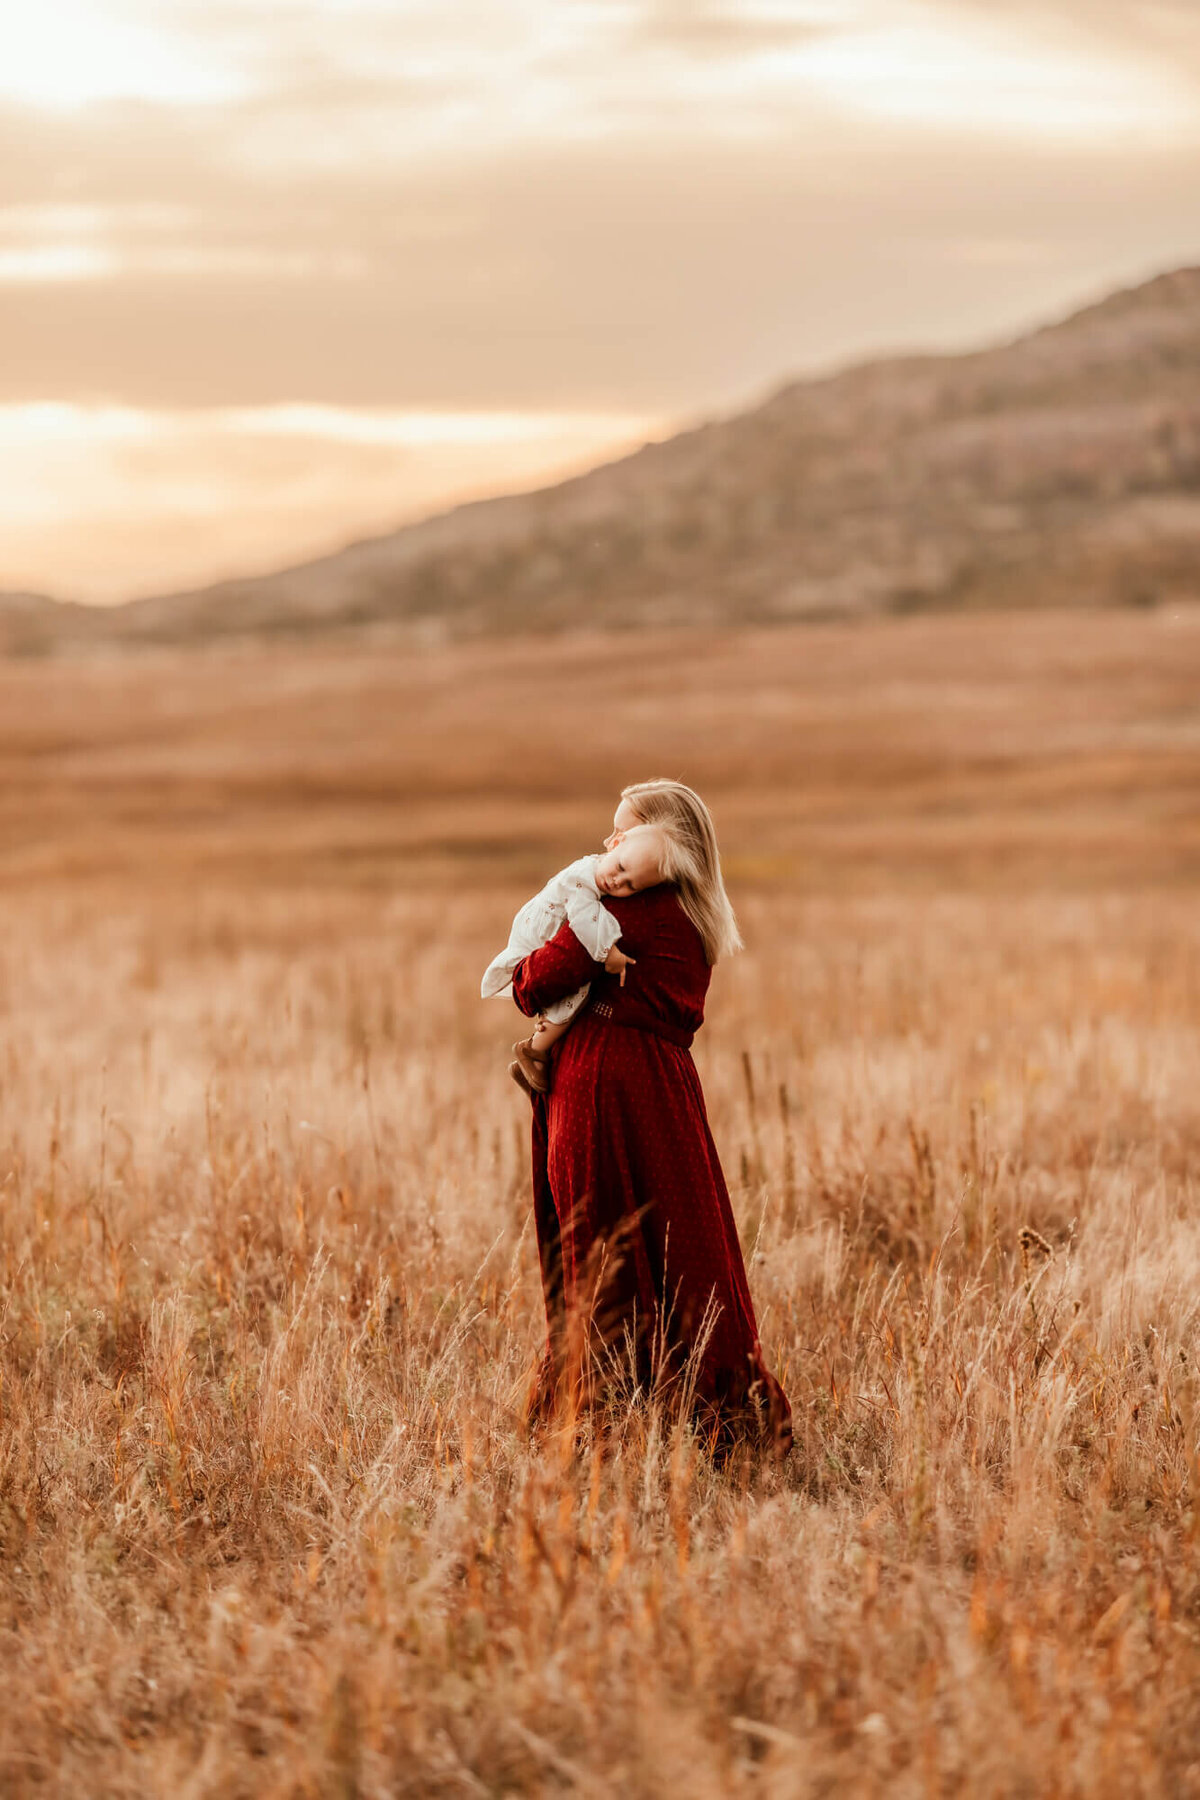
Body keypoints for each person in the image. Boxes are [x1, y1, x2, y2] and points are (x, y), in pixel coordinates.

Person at [508, 779, 792, 1458]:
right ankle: (708, 1407)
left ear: (665, 840)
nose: (609, 844)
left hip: (606, 1086)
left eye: (624, 830)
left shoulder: (626, 914)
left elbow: (530, 986)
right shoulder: (692, 913)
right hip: (662, 1088)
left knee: (598, 1242)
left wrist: (557, 950)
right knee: (681, 1244)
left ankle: (601, 1421)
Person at [480, 824, 665, 1095]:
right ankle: (534, 1049)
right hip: (539, 934)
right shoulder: (583, 880)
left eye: (630, 886)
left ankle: (534, 1055)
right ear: (616, 844)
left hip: (539, 927)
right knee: (577, 993)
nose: (617, 882)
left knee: (572, 996)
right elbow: (585, 921)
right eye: (622, 869)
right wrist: (609, 953)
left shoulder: (595, 869)